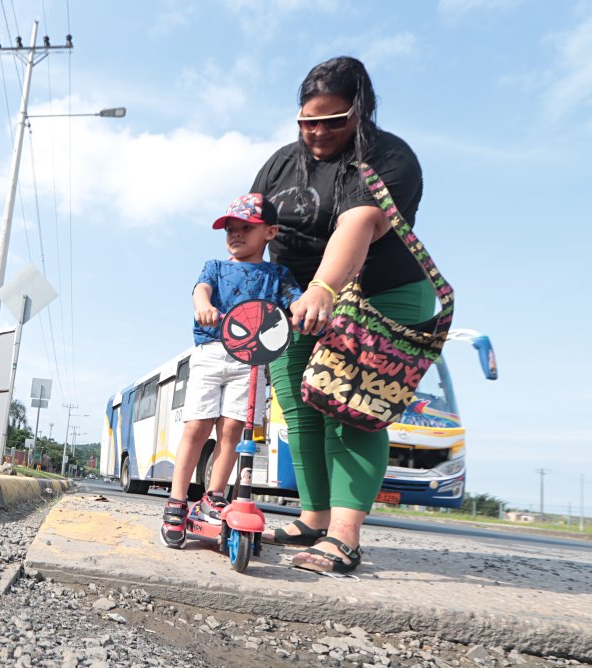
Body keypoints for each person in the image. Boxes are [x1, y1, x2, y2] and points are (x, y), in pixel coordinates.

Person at [251, 56, 436, 574]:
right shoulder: (279, 164)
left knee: (352, 407)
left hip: (381, 295)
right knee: (302, 409)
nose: (318, 132)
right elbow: (254, 227)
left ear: (360, 110)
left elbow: (356, 226)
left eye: (333, 120)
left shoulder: (387, 156)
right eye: (308, 121)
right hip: (298, 303)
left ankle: (344, 536)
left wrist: (324, 286)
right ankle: (314, 516)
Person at [160, 193, 301, 549]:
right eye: (230, 229)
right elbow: (200, 291)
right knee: (197, 426)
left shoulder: (277, 275)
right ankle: (177, 501)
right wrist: (204, 305)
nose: (236, 235)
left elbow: (295, 300)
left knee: (234, 428)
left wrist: (303, 309)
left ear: (270, 232)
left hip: (252, 360)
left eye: (246, 228)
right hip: (210, 351)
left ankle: (214, 495)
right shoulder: (216, 267)